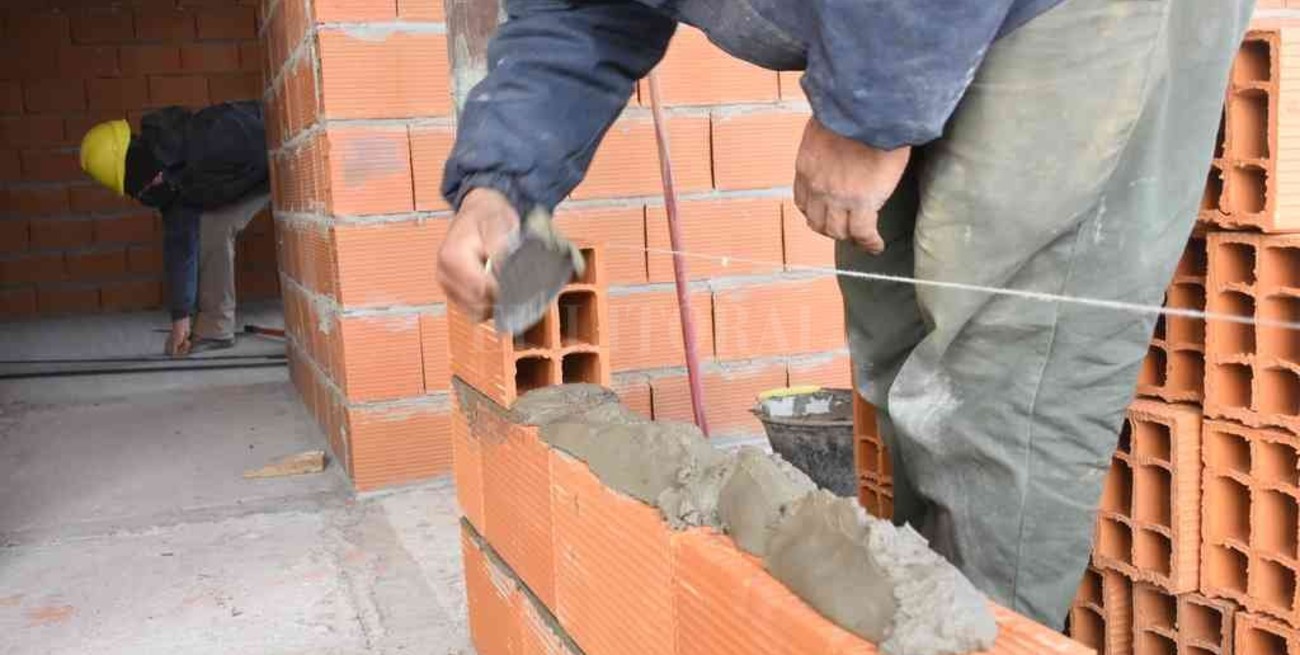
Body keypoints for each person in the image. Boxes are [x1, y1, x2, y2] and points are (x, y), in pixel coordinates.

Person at [434, 0, 1254, 628]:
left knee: (999, 392)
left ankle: (976, 633)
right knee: (897, 355)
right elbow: (576, 13)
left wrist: (871, 111)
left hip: (1064, 16)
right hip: (891, 33)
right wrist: (500, 185)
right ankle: (922, 614)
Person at [79, 101, 270, 356]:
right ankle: (216, 329)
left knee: (217, 223)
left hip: (286, 157)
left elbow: (271, 139)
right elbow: (180, 248)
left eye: (144, 187)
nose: (147, 194)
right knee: (211, 226)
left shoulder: (212, 135)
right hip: (252, 179)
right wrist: (180, 318)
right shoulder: (170, 185)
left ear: (148, 168)